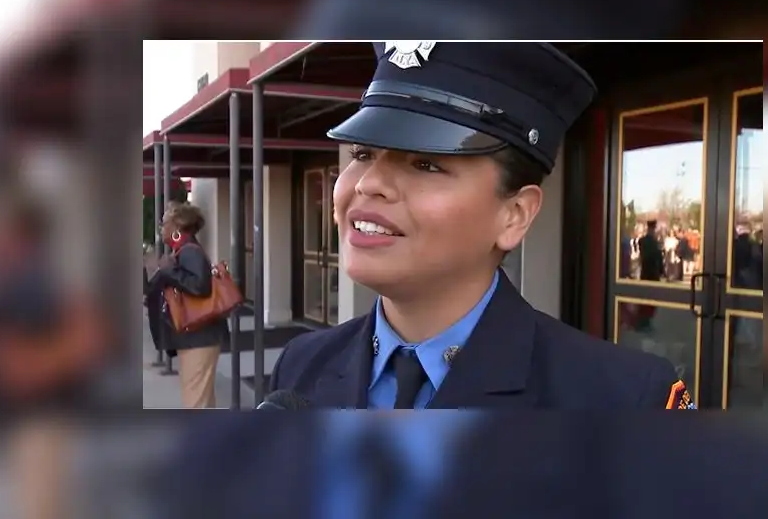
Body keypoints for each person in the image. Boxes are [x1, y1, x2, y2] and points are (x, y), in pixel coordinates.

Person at [269, 42, 690, 409]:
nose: (369, 182)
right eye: (362, 153)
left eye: (425, 163)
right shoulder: (301, 366)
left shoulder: (622, 398)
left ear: (515, 215)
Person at [146, 202, 228, 408]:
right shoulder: (183, 250)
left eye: (163, 223)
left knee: (195, 403)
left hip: (199, 337)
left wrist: (167, 271)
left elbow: (200, 286)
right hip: (197, 337)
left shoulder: (189, 251)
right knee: (202, 401)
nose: (160, 228)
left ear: (176, 226)